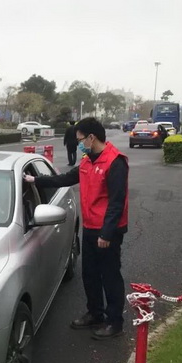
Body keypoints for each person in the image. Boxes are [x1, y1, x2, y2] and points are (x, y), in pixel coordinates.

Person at [23, 117, 129, 340]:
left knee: (110, 276)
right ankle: (95, 313)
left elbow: (117, 203)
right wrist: (35, 180)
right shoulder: (88, 161)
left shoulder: (115, 162)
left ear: (91, 137)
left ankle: (114, 322)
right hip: (90, 227)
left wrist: (106, 233)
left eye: (80, 140)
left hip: (107, 231)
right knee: (90, 274)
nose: (79, 144)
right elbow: (66, 178)